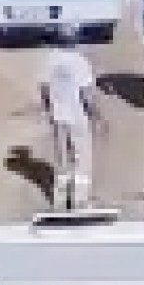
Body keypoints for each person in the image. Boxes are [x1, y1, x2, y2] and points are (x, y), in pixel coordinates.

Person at [39, 24, 100, 210]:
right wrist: (96, 114)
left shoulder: (50, 60)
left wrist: (49, 109)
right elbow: (87, 94)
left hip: (58, 116)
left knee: (62, 159)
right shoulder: (80, 61)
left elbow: (44, 88)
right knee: (82, 158)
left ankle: (60, 199)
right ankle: (79, 201)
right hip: (77, 114)